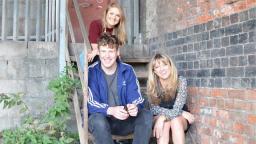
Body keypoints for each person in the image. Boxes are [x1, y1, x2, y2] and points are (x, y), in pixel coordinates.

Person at [81, 33, 152, 144]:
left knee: (146, 115)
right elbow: (91, 103)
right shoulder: (91, 72)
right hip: (102, 120)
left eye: (111, 51)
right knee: (98, 120)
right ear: (98, 53)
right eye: (103, 51)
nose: (107, 56)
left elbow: (136, 97)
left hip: (123, 119)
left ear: (117, 52)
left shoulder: (127, 70)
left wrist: (134, 107)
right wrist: (111, 110)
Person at [147, 53, 195, 144]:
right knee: (165, 124)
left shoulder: (181, 81)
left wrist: (164, 116)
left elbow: (177, 108)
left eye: (165, 64)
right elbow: (153, 109)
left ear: (170, 65)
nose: (162, 69)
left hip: (178, 118)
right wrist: (182, 112)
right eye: (157, 67)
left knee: (175, 120)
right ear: (154, 71)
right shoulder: (152, 84)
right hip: (158, 116)